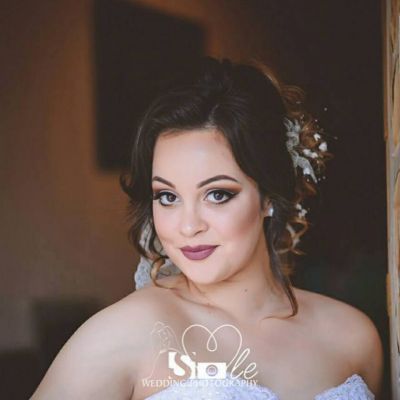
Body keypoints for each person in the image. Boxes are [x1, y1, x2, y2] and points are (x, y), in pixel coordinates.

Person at [30, 57, 383, 400]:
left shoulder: (353, 338)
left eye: (217, 194)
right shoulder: (126, 334)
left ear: (269, 197)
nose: (188, 226)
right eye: (167, 196)